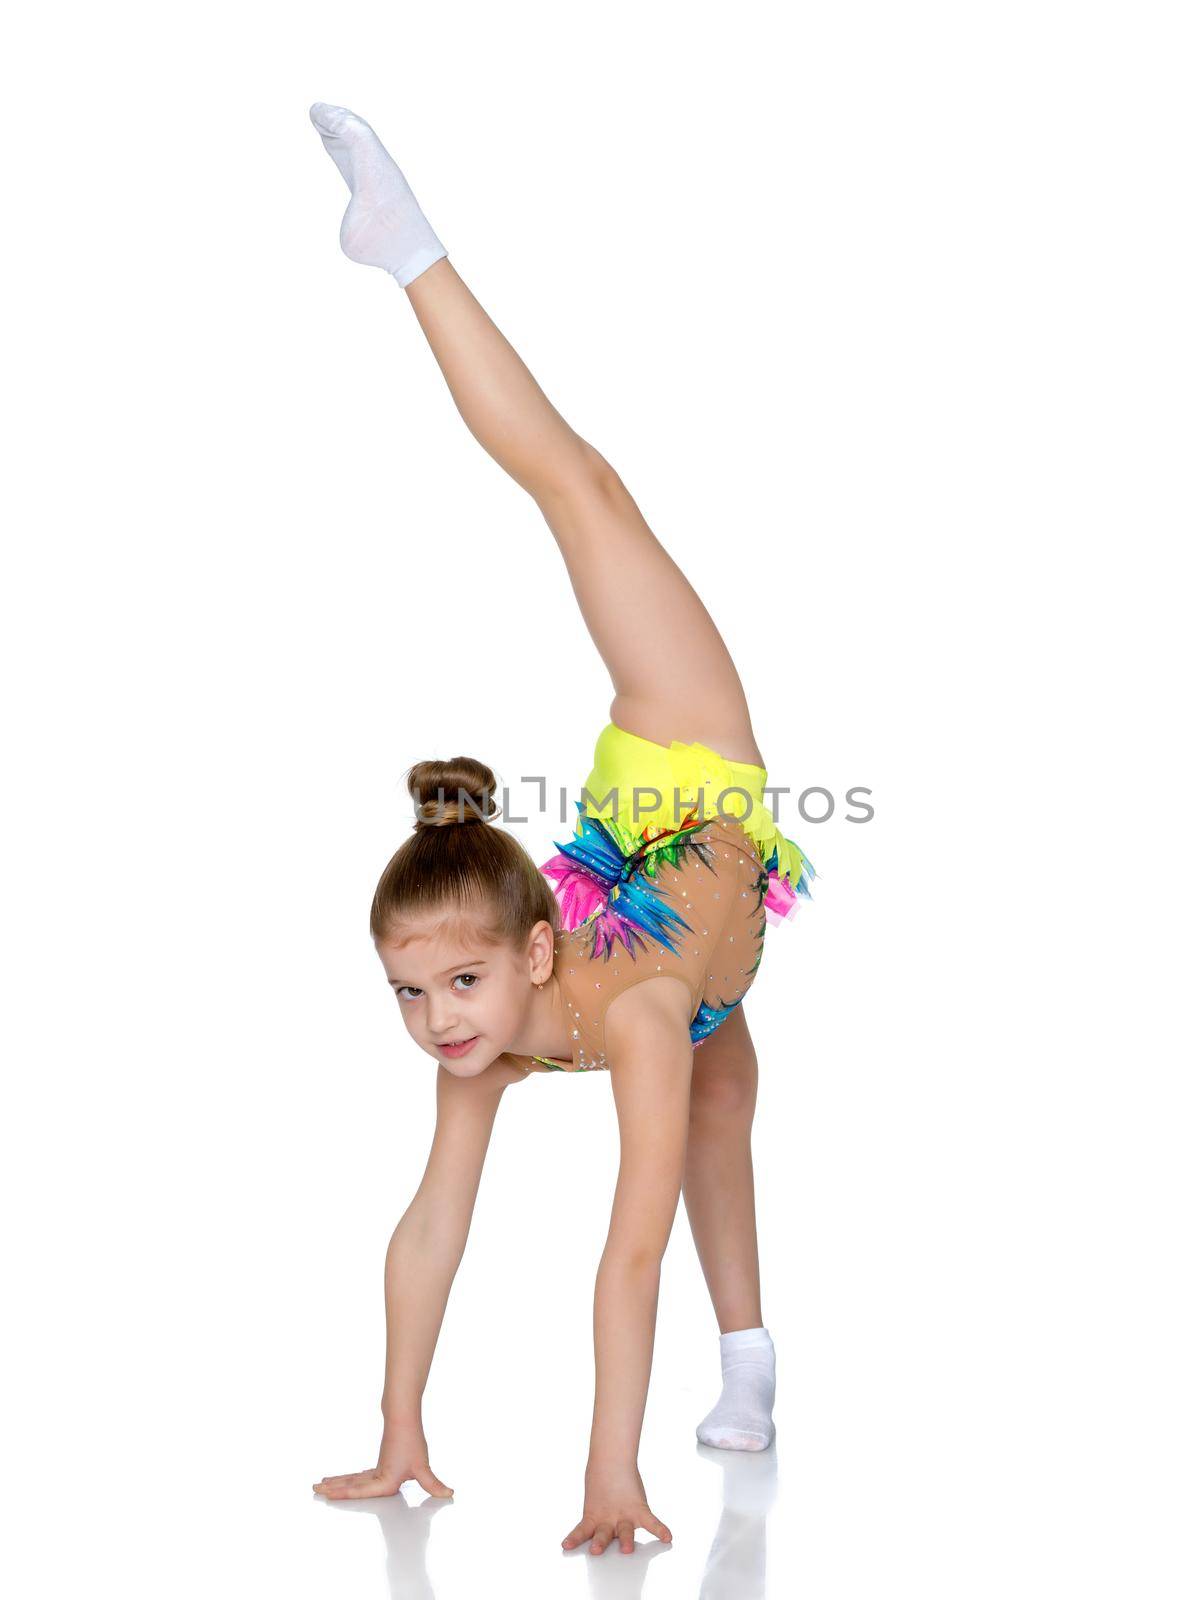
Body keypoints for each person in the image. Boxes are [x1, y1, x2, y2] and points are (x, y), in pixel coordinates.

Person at [306, 103, 817, 1558]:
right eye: (408, 992)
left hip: (687, 768)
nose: (435, 1023)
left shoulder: (627, 1011)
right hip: (664, 918)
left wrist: (612, 1476)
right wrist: (399, 1429)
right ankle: (756, 1364)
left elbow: (625, 1247)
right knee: (729, 1093)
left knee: (580, 491)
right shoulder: (496, 1026)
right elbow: (428, 1231)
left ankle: (409, 250)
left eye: (458, 985)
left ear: (531, 951)